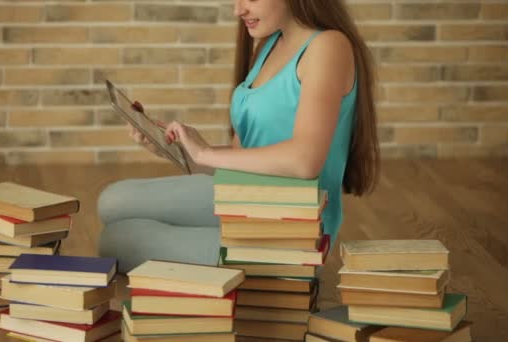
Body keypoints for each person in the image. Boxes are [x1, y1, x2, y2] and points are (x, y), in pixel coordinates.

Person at [98, 0, 380, 274]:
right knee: (111, 202)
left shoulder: (328, 46)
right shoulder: (269, 45)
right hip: (245, 201)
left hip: (289, 229)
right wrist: (176, 148)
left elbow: (305, 160)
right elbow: (241, 160)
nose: (238, 9)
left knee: (117, 240)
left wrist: (205, 153)